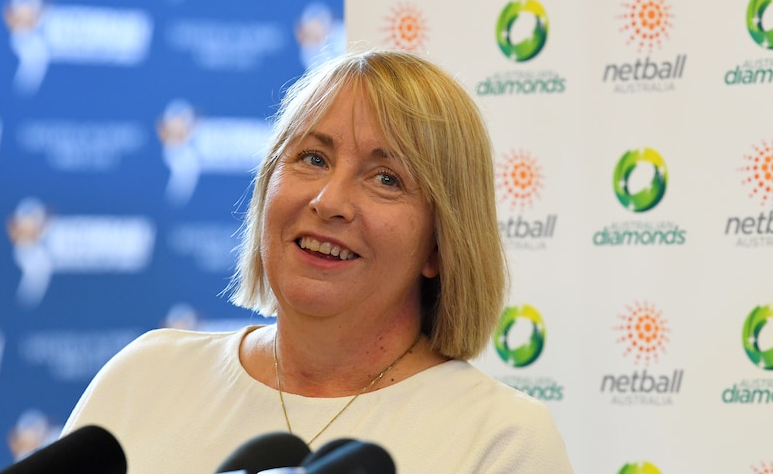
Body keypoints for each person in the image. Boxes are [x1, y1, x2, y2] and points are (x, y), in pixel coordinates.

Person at [61, 49, 574, 473]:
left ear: (441, 245)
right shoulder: (145, 376)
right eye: (313, 158)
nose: (329, 202)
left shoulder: (503, 441)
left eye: (386, 178)